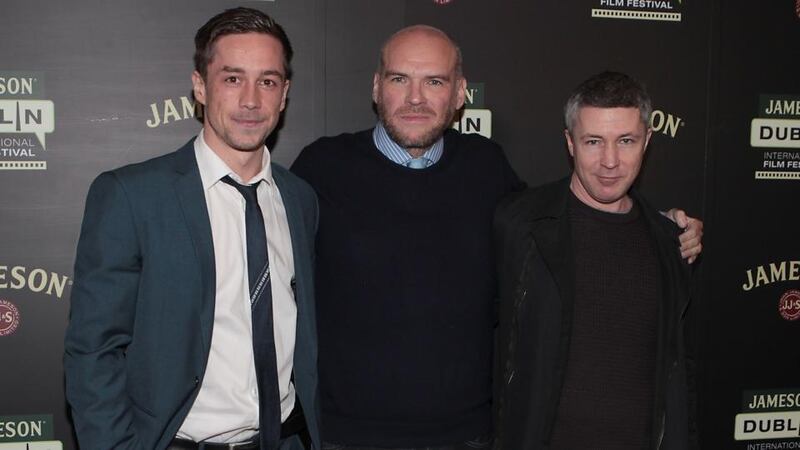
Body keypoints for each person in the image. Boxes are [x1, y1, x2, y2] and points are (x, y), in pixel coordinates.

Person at [292, 27, 702, 449]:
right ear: (377, 87)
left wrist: (661, 224)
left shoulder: (487, 168)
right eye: (400, 79)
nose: (415, 98)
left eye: (434, 81)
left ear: (460, 93)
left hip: (469, 436)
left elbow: (568, 217)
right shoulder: (322, 167)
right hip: (347, 437)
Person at [64, 8, 319, 450]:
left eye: (268, 81)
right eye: (232, 78)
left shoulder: (299, 198)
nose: (251, 101)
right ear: (200, 86)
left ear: (284, 94)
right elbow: (93, 351)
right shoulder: (131, 196)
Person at [494, 71, 696, 449]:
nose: (610, 161)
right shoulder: (520, 225)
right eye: (593, 141)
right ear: (570, 143)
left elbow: (678, 377)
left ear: (647, 141)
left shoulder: (671, 243)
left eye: (626, 141)